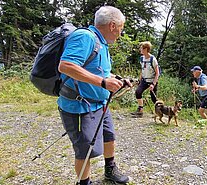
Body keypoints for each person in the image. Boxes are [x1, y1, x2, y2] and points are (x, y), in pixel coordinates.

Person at [57, 6, 130, 185]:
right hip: (79, 106)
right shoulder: (85, 37)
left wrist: (116, 79)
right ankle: (84, 183)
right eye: (121, 27)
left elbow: (100, 71)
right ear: (112, 25)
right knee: (85, 149)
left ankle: (110, 169)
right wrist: (103, 83)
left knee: (109, 136)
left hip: (99, 103)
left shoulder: (100, 42)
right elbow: (66, 66)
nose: (121, 33)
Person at [131, 41, 160, 117]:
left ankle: (159, 112)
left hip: (152, 81)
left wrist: (153, 84)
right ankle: (140, 110)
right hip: (144, 80)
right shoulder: (141, 59)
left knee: (154, 98)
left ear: (146, 49)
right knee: (138, 92)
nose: (140, 50)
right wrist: (139, 80)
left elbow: (157, 73)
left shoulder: (152, 59)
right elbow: (142, 70)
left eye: (141, 48)